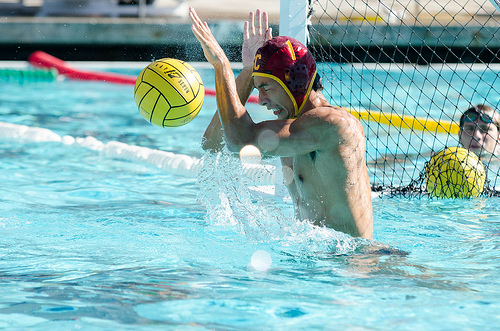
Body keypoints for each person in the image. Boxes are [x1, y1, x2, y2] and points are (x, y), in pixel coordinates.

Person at [190, 7, 373, 239]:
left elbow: (240, 140)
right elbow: (213, 143)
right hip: (318, 263)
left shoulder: (333, 125)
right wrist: (247, 73)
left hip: (356, 266)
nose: (262, 100)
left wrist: (222, 66)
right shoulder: (291, 127)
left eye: (266, 88)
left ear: (294, 81)